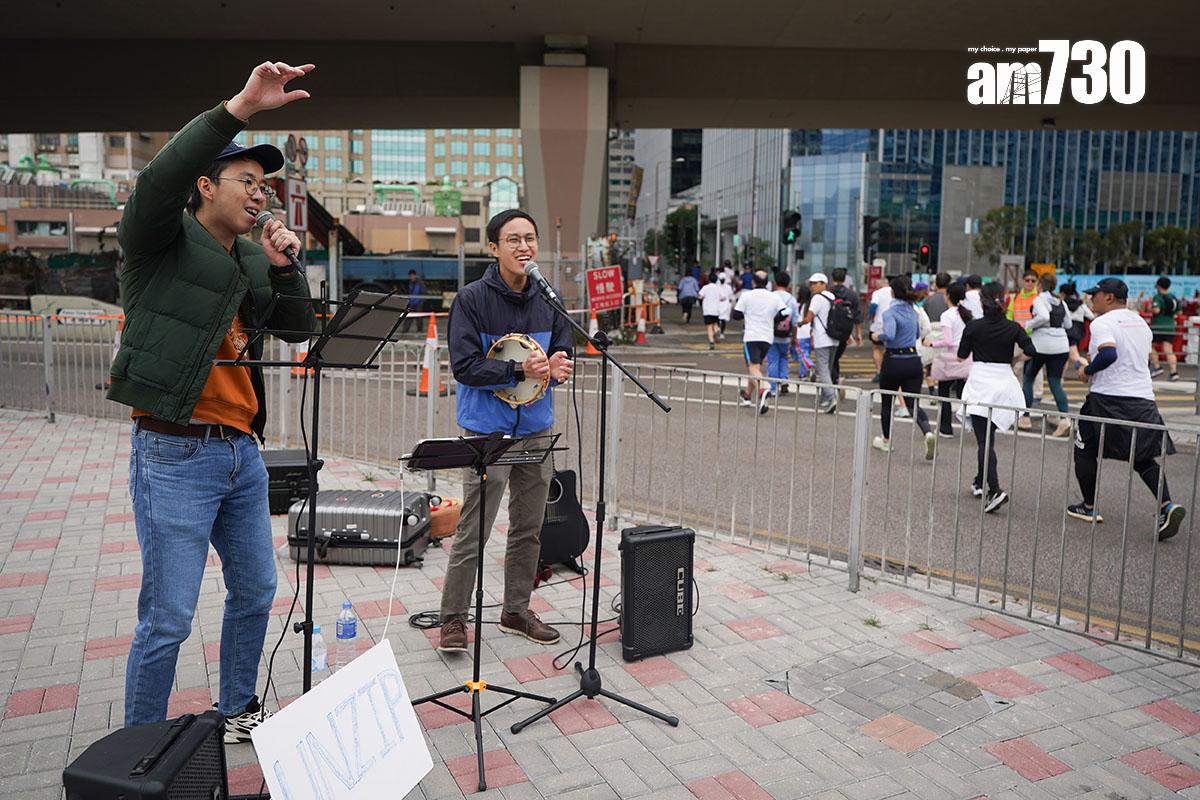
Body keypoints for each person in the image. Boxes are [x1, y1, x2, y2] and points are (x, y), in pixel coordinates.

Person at [107, 62, 317, 735]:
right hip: (173, 453)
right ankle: (139, 745)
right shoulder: (158, 239)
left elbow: (297, 330)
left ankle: (237, 709)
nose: (259, 194)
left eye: (264, 185)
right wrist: (239, 109)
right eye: (245, 181)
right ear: (205, 185)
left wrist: (286, 269)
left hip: (240, 454)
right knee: (169, 616)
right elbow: (157, 181)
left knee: (256, 589)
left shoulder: (252, 257)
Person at [438, 209, 575, 652]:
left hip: (536, 427)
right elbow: (464, 367)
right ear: (493, 248)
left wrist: (560, 366)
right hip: (486, 432)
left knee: (529, 526)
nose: (524, 247)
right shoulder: (472, 299)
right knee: (474, 527)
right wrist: (518, 370)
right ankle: (453, 618)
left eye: (530, 238)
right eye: (513, 239)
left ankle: (516, 610)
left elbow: (562, 349)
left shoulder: (548, 297)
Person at [1067, 278, 1186, 541]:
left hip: (1107, 399)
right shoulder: (1140, 322)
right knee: (1142, 457)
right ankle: (1167, 506)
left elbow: (1109, 354)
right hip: (1143, 399)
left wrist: (1087, 371)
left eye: (1095, 295)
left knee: (1084, 449)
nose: (1091, 299)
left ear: (1109, 297)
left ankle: (1089, 506)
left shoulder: (1102, 323)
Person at [957, 282, 1036, 513]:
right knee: (988, 439)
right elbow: (1032, 350)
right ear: (1005, 300)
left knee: (984, 441)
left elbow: (961, 356)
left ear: (982, 302)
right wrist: (1015, 359)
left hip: (980, 383)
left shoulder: (973, 327)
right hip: (1004, 383)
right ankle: (979, 481)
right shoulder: (1013, 327)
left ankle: (995, 489)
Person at [871, 276, 936, 459]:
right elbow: (917, 334)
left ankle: (886, 440)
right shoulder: (913, 312)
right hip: (913, 360)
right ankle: (927, 432)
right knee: (913, 403)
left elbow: (890, 335)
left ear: (892, 292)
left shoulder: (890, 313)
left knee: (887, 403)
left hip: (894, 360)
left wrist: (877, 336)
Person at [1022, 274, 1073, 437]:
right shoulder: (1061, 301)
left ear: (1040, 285)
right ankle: (1065, 419)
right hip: (1061, 345)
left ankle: (1025, 417)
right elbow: (1068, 324)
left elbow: (1044, 316)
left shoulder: (1039, 299)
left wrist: (1029, 324)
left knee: (1028, 377)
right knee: (1055, 383)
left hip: (1041, 345)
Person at [733, 270, 785, 414]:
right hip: (767, 337)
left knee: (752, 367)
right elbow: (785, 312)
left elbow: (736, 315)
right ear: (767, 282)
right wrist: (773, 319)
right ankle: (747, 395)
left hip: (752, 336)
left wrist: (747, 313)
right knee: (755, 367)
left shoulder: (746, 295)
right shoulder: (774, 296)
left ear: (753, 282)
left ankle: (764, 387)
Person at [930, 283, 972, 437]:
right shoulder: (967, 314)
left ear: (947, 296)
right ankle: (975, 424)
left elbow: (947, 340)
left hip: (951, 357)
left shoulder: (947, 315)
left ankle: (945, 428)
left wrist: (932, 343)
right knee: (964, 393)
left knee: (944, 392)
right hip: (966, 356)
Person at [803, 272, 839, 413]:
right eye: (811, 284)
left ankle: (831, 397)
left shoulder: (817, 298)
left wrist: (800, 323)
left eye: (815, 283)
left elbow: (808, 318)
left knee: (823, 370)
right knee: (827, 369)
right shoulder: (832, 297)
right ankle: (825, 398)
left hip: (822, 338)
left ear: (824, 284)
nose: (812, 286)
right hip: (834, 338)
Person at [767, 271, 800, 395]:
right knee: (784, 357)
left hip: (771, 335)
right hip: (785, 335)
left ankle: (773, 388)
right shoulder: (792, 299)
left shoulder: (770, 297)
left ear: (775, 283)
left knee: (773, 360)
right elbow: (795, 322)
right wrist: (794, 338)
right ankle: (784, 379)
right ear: (788, 284)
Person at [829, 267, 862, 385]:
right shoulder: (852, 295)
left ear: (832, 278)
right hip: (845, 331)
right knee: (836, 357)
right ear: (844, 279)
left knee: (830, 357)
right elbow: (857, 315)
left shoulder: (828, 293)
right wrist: (858, 333)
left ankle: (835, 380)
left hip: (830, 329)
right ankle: (835, 379)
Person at [1149, 276, 1181, 381]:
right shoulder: (1173, 297)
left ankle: (1157, 367)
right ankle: (1173, 372)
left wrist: (1149, 308)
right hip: (1171, 326)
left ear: (1158, 286)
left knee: (1150, 347)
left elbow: (1156, 310)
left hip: (1158, 326)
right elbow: (1179, 311)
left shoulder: (1158, 297)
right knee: (1169, 350)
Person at [1062, 282, 1094, 372]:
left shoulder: (1062, 304)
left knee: (1074, 357)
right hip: (1076, 333)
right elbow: (1091, 316)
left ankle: (1090, 370)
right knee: (1064, 358)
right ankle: (1060, 379)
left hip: (1064, 332)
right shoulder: (1081, 305)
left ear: (1063, 293)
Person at [867, 279, 894, 382]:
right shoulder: (894, 291)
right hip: (893, 323)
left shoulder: (877, 293)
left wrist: (869, 315)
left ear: (879, 285)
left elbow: (874, 305)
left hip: (878, 324)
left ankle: (879, 372)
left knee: (876, 348)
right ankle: (890, 372)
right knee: (891, 349)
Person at [697, 271, 728, 349]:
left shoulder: (705, 287)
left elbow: (700, 296)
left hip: (707, 310)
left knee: (709, 327)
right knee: (715, 324)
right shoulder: (718, 288)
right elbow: (724, 297)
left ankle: (711, 342)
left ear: (708, 279)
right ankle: (717, 330)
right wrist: (718, 299)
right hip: (716, 310)